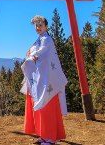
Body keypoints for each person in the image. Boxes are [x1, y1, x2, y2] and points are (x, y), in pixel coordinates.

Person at [20, 15, 68, 145]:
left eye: (40, 25)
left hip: (48, 79)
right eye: (36, 25)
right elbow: (34, 53)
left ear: (46, 26)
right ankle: (43, 135)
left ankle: (51, 137)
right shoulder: (38, 40)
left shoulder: (47, 40)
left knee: (48, 108)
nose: (38, 27)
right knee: (40, 108)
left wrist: (32, 57)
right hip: (40, 78)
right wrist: (30, 53)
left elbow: (42, 53)